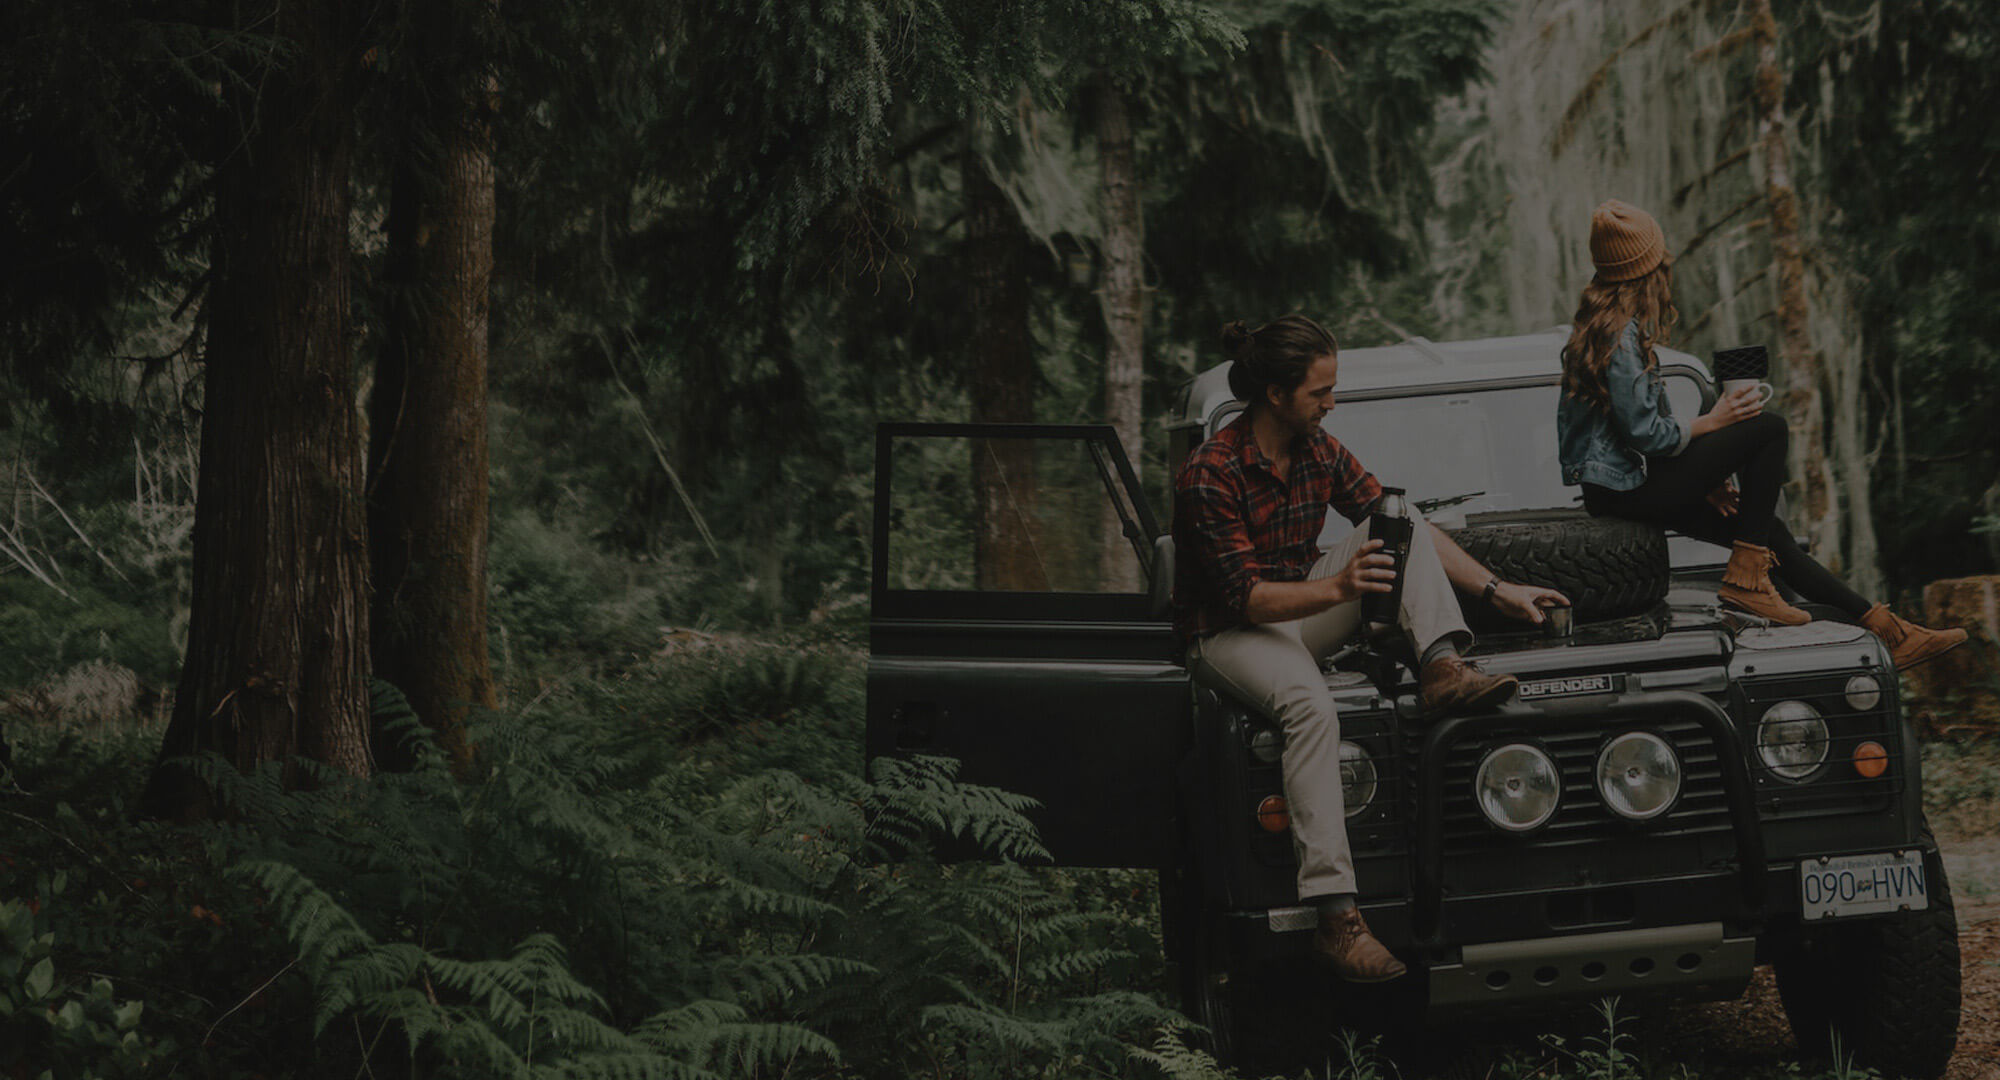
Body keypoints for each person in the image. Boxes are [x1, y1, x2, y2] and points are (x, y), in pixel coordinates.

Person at [1172, 315, 1570, 983]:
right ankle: (1336, 918)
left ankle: (1442, 666)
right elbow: (1246, 599)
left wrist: (1497, 590)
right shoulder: (1209, 473)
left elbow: (1398, 524)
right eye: (1320, 392)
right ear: (1276, 394)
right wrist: (1340, 588)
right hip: (1227, 631)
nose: (1332, 403)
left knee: (1397, 515)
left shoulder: (1318, 448)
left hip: (1300, 607)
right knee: (1308, 705)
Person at [1557, 199, 1966, 670]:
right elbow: (1648, 434)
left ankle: (1891, 632)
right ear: (1647, 271)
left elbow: (1635, 435)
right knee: (1768, 428)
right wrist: (1718, 418)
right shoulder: (1620, 336)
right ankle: (1747, 580)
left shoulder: (1600, 329)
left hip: (1621, 490)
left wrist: (1704, 481)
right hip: (1626, 493)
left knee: (1767, 531)